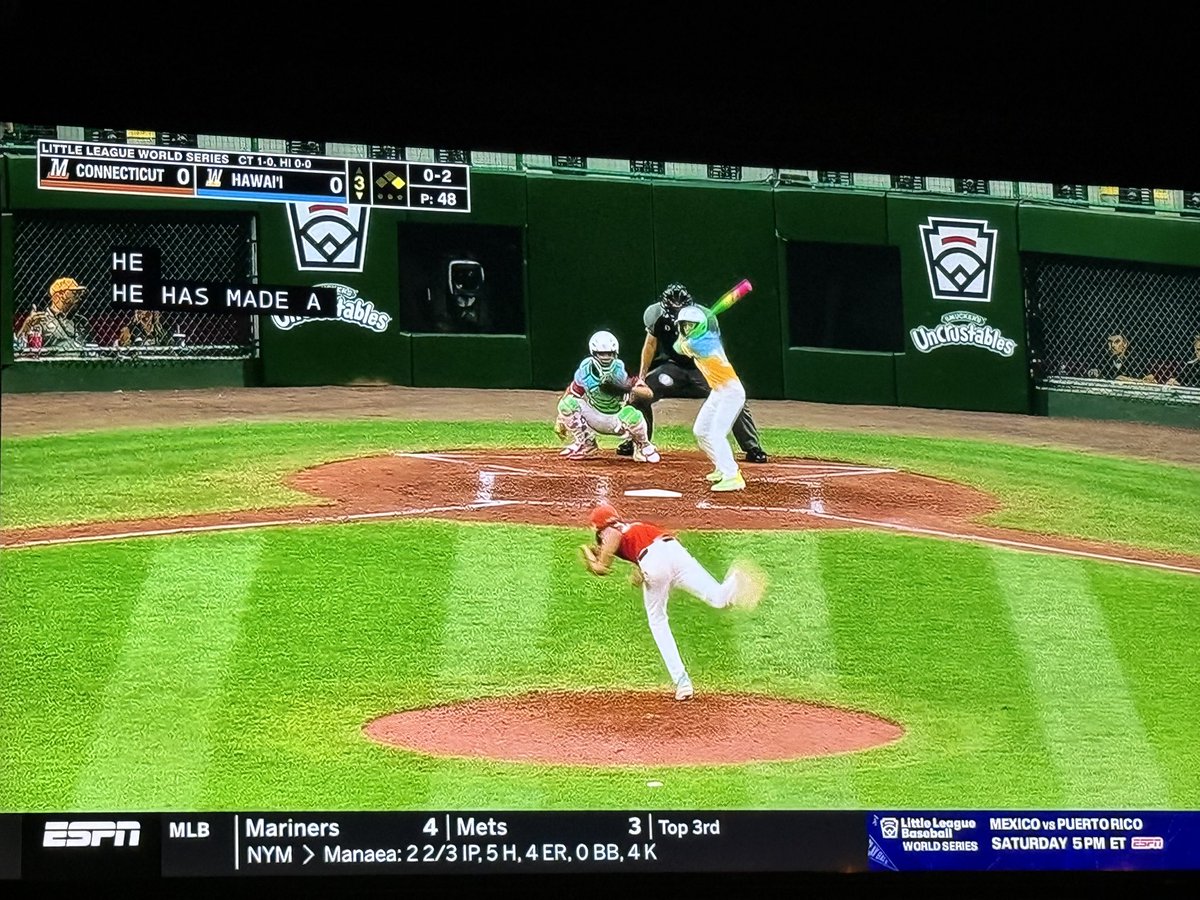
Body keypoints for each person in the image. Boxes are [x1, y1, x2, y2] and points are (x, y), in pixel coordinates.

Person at [579, 502, 766, 701]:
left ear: (599, 526)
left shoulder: (610, 531)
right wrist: (639, 571)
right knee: (718, 598)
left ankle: (682, 681)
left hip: (653, 560)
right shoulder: (634, 526)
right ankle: (736, 580)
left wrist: (594, 562)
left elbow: (606, 559)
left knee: (657, 620)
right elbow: (642, 549)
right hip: (674, 551)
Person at [616, 282, 768, 464]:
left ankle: (752, 447)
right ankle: (638, 442)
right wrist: (641, 378)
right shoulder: (655, 315)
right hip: (672, 368)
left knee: (733, 397)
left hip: (701, 369)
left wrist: (694, 340)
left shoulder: (707, 320)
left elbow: (712, 354)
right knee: (640, 394)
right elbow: (650, 345)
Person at [671, 297, 753, 491]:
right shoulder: (706, 334)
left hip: (731, 392)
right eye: (684, 326)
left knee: (716, 433)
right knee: (700, 431)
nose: (687, 329)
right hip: (718, 391)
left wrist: (683, 337)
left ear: (700, 326)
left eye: (691, 325)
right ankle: (721, 467)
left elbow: (677, 347)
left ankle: (733, 476)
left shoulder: (700, 344)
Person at [555, 330, 661, 462]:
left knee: (634, 415)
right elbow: (573, 391)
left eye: (609, 354)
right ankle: (586, 443)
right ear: (594, 353)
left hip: (616, 419)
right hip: (593, 414)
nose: (605, 357)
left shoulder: (622, 369)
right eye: (601, 354)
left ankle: (642, 446)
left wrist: (624, 388)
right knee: (567, 403)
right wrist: (560, 419)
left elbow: (648, 394)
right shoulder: (585, 369)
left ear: (615, 353)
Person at [14, 277, 92, 352]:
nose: (79, 297)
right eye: (74, 293)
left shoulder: (81, 320)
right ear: (58, 296)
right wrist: (27, 327)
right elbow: (20, 347)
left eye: (79, 294)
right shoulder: (41, 320)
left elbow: (92, 347)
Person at [1087, 329, 1158, 383]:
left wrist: (1126, 380)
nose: (1113, 346)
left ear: (1124, 344)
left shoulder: (1136, 358)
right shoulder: (1103, 359)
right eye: (1110, 342)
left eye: (1117, 342)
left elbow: (1148, 379)